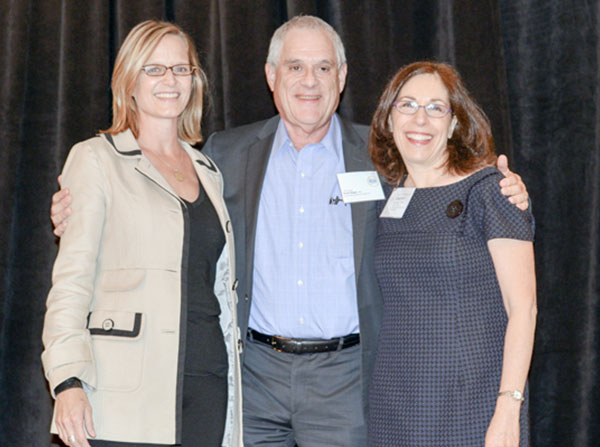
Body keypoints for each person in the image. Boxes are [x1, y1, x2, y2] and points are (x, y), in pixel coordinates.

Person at [50, 16, 529, 447]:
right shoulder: (224, 154)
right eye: (295, 67)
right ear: (271, 76)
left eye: (323, 68)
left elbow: (443, 181)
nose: (309, 81)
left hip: (346, 378)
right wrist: (77, 211)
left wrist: (503, 185)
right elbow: (163, 204)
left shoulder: (384, 155)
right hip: (253, 374)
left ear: (342, 78)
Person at [41, 20, 242, 447]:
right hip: (124, 397)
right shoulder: (96, 160)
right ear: (129, 82)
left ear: (194, 80)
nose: (170, 80)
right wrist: (67, 379)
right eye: (154, 69)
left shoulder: (209, 173)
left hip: (207, 387)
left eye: (181, 69)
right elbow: (71, 283)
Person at [367, 61, 536, 446]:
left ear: (454, 122)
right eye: (407, 105)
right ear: (388, 119)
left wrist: (509, 409)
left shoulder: (491, 190)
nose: (420, 120)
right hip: (395, 408)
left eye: (435, 107)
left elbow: (523, 309)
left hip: (472, 405)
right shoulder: (386, 197)